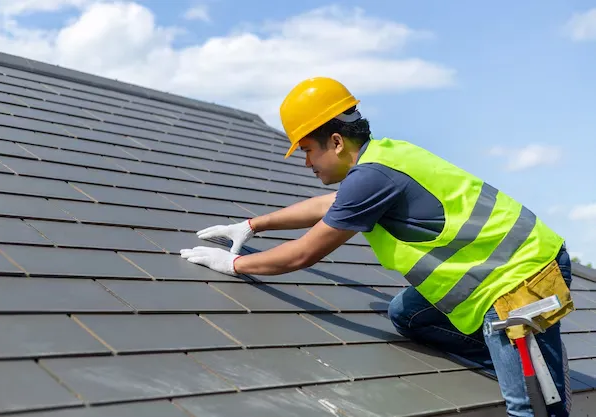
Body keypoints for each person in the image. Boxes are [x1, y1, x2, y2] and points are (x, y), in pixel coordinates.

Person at [179, 77, 574, 416]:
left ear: (335, 141)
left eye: (307, 150)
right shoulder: (382, 158)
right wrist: (251, 225)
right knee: (407, 314)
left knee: (533, 408)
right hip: (502, 270)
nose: (306, 163)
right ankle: (520, 363)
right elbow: (328, 206)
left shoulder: (373, 177)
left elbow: (303, 254)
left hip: (520, 281)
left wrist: (233, 266)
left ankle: (531, 373)